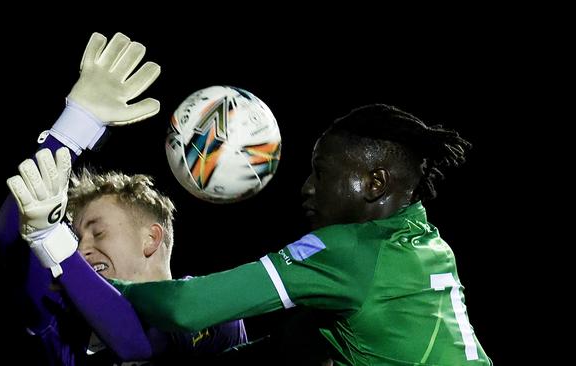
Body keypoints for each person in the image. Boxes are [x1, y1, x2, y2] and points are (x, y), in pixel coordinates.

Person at [102, 104, 493, 365]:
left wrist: (106, 288)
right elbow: (292, 345)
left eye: (322, 173)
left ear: (375, 183)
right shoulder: (426, 240)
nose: (307, 188)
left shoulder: (349, 249)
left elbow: (185, 308)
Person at [0, 31, 246, 365]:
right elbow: (11, 233)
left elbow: (138, 343)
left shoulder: (213, 306)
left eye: (98, 232)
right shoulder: (65, 327)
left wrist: (53, 239)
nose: (82, 248)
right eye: (76, 236)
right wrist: (74, 126)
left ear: (151, 238)